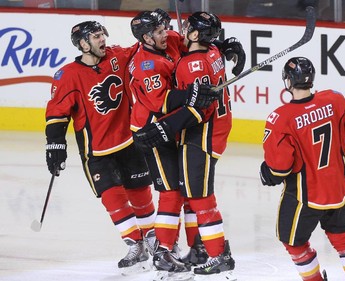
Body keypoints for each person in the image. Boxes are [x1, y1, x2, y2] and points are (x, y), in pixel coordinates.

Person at [129, 9, 245, 276]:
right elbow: (162, 102)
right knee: (173, 192)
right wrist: (191, 94)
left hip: (182, 125)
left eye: (165, 29)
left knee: (191, 192)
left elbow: (194, 47)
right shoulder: (145, 63)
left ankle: (199, 248)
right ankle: (163, 252)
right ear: (146, 37)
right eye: (159, 31)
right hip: (155, 129)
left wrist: (218, 43)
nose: (168, 34)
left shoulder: (169, 40)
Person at [45, 21, 157, 272]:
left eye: (102, 35)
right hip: (96, 152)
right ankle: (135, 244)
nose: (102, 39)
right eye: (95, 36)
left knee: (141, 193)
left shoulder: (117, 56)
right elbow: (57, 113)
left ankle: (152, 238)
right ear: (83, 44)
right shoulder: (68, 75)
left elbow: (146, 45)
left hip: (129, 141)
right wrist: (55, 144)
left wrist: (163, 30)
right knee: (112, 199)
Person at [259, 57, 345, 281]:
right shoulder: (335, 100)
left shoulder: (280, 118)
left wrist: (267, 173)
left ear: (289, 81)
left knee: (292, 241)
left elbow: (280, 168)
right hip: (338, 190)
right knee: (343, 235)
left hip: (304, 197)